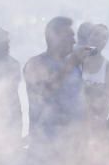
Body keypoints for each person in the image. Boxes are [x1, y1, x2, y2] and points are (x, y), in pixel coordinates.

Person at [23, 17, 90, 145]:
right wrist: (70, 65)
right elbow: (42, 94)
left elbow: (81, 101)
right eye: (69, 36)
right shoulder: (35, 64)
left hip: (73, 142)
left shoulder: (75, 66)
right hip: (45, 142)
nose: (74, 41)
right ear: (54, 37)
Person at [79, 23, 109, 123]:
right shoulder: (76, 60)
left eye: (104, 37)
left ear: (106, 43)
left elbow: (108, 100)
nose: (99, 39)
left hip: (94, 119)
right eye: (96, 34)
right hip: (73, 116)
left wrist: (101, 122)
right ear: (89, 37)